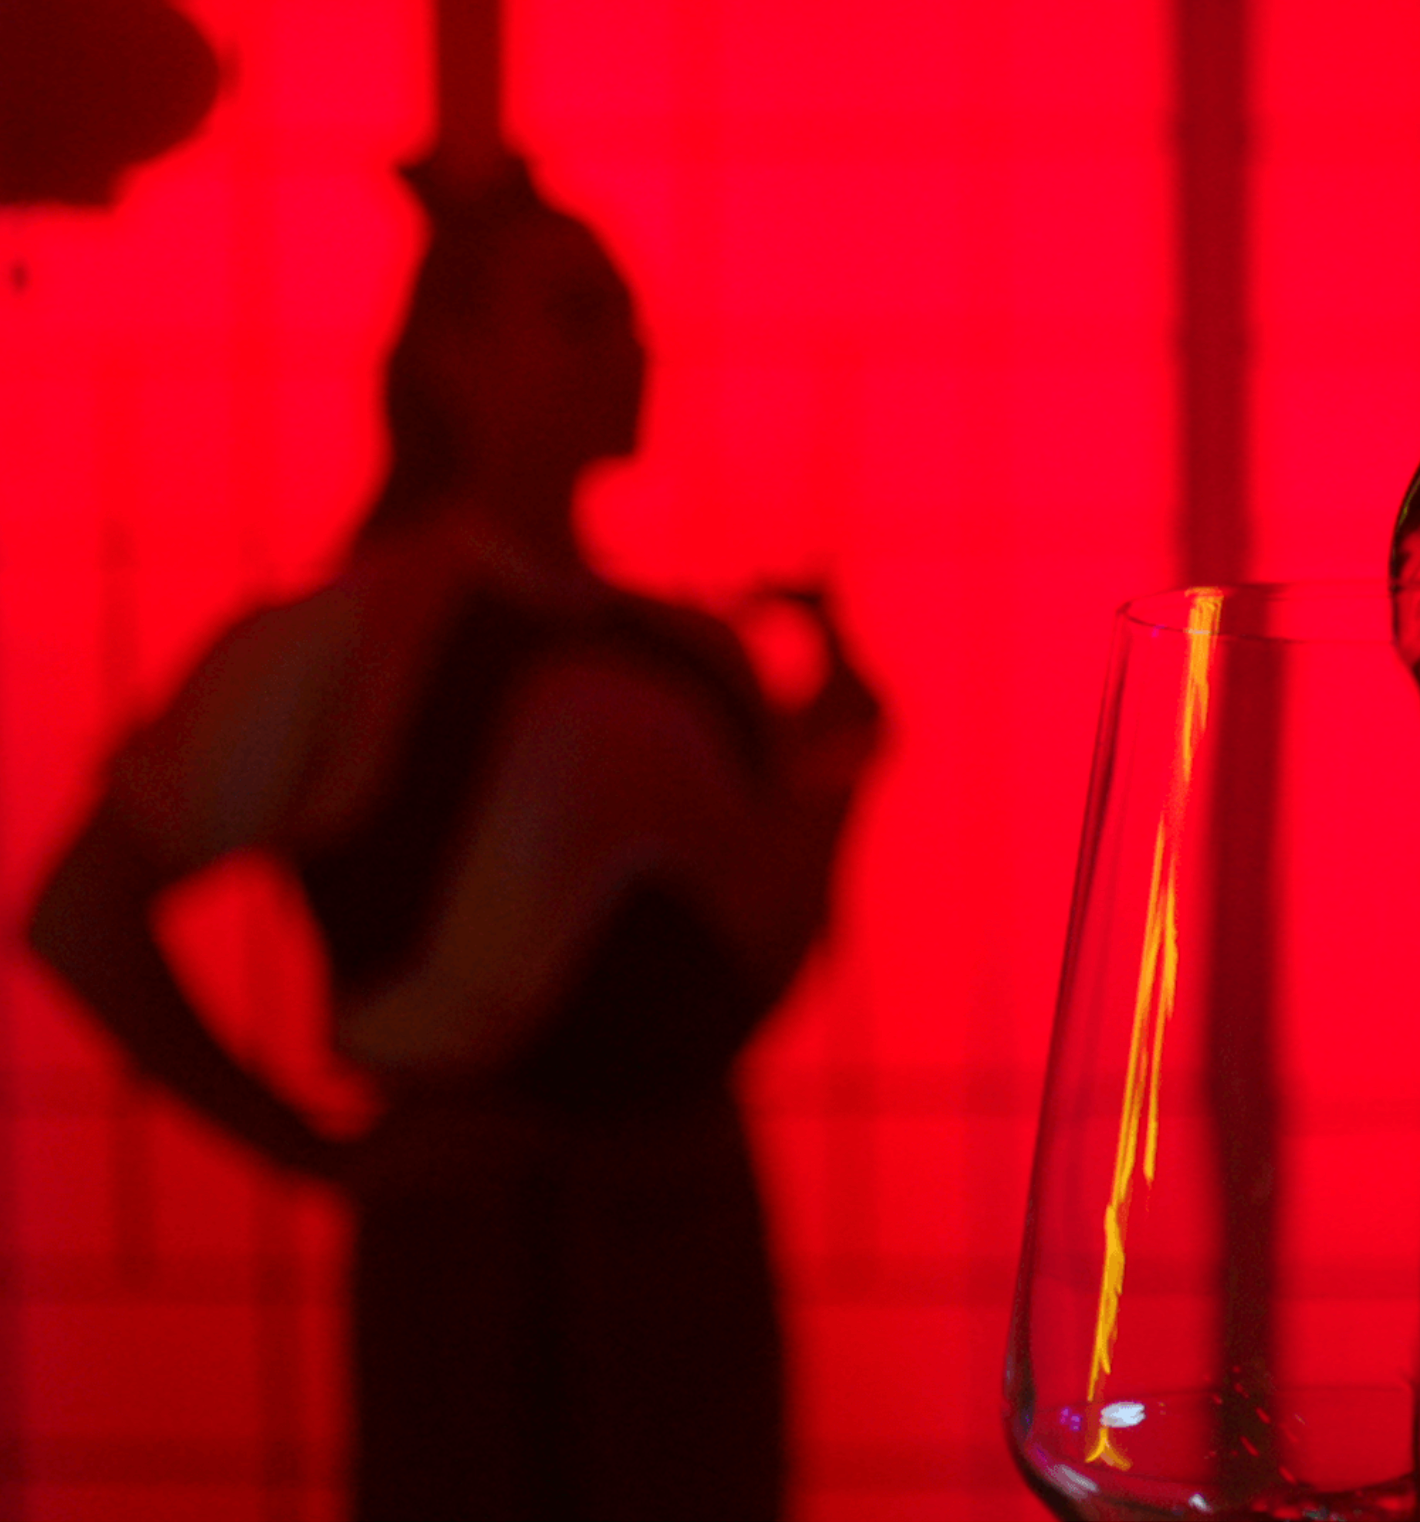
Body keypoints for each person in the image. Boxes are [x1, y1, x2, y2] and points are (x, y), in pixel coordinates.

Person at [23, 154, 881, 1522]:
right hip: (471, 1237)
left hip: (693, 1222)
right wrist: (310, 1149)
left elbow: (745, 967)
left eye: (627, 315)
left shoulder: (692, 653)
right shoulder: (351, 639)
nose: (626, 348)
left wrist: (831, 778)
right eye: (575, 313)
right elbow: (82, 910)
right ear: (450, 354)